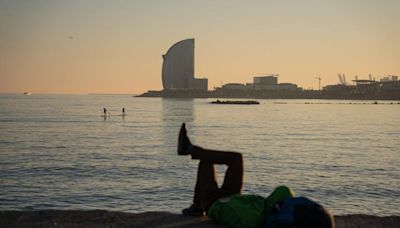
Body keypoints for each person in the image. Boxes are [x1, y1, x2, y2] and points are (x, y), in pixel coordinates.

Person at [177, 123, 335, 228]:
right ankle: (191, 149)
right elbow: (247, 200)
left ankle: (198, 205)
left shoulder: (254, 219)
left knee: (206, 161)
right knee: (236, 158)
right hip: (232, 197)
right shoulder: (269, 209)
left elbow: (231, 212)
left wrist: (211, 204)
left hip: (214, 204)